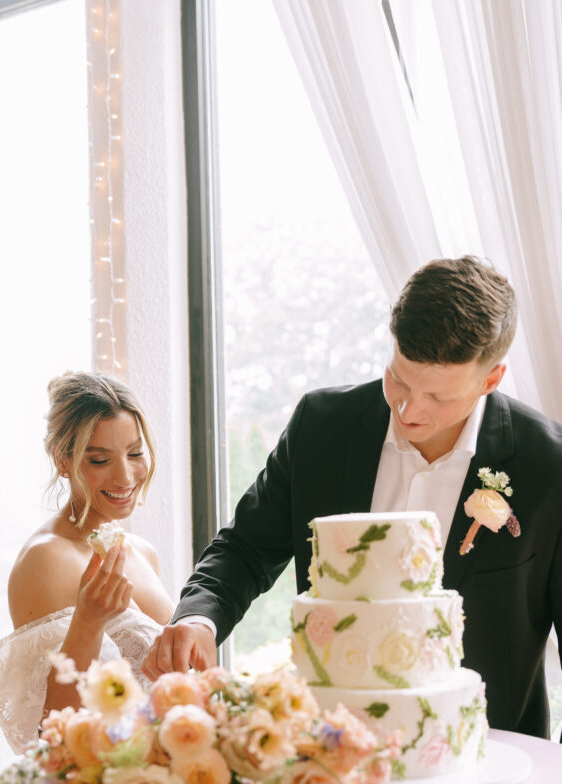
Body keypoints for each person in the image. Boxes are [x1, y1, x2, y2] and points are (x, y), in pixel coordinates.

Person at [143, 256, 562, 739]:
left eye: (438, 398)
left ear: (491, 380)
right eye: (399, 379)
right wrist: (199, 618)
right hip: (328, 750)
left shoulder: (547, 466)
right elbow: (245, 549)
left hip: (491, 762)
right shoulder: (320, 427)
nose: (408, 409)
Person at [0, 371, 173, 753]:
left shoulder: (142, 551)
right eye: (101, 459)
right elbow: (50, 736)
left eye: (135, 453)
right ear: (62, 460)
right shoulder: (47, 558)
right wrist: (88, 621)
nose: (125, 475)